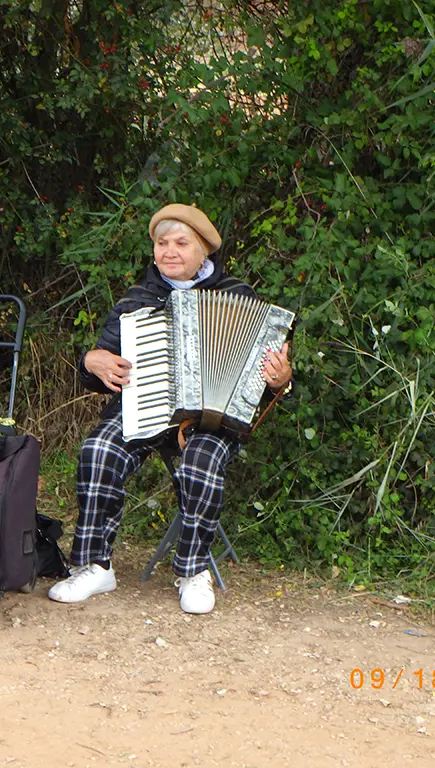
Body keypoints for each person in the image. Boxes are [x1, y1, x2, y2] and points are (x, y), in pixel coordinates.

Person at [47, 204, 292, 614]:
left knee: (200, 460)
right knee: (99, 450)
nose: (170, 251)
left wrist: (279, 380)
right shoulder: (136, 300)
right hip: (143, 407)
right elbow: (97, 369)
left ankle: (193, 571)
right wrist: (91, 361)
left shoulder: (237, 298)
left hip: (211, 421)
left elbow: (269, 385)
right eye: (163, 243)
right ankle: (95, 565)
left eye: (182, 243)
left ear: (204, 253)